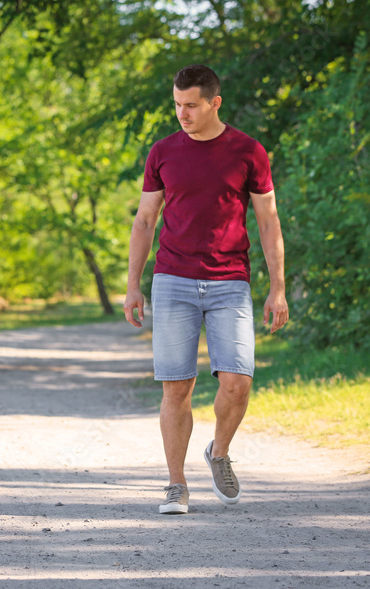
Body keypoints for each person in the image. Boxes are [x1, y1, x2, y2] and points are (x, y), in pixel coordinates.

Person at [123, 65, 288, 515]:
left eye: (191, 105)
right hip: (173, 279)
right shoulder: (162, 153)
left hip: (229, 281)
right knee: (176, 388)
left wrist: (278, 289)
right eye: (177, 104)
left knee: (237, 383)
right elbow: (144, 221)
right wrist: (133, 285)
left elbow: (268, 221)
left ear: (215, 102)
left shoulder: (248, 152)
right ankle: (176, 485)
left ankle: (218, 453)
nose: (182, 113)